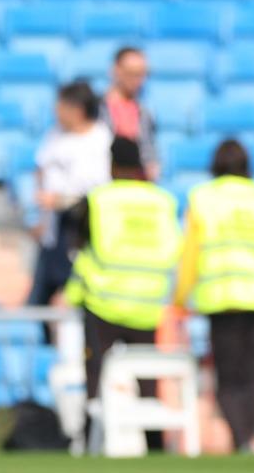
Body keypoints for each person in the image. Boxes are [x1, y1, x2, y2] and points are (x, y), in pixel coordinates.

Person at [173, 139, 254, 453]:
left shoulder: (202, 198)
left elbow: (189, 253)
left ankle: (241, 439)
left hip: (221, 298)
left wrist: (180, 296)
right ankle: (247, 437)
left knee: (227, 378)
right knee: (252, 375)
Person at [63, 137, 181, 443]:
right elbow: (173, 250)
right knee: (147, 380)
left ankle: (90, 441)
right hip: (147, 305)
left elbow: (81, 250)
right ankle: (154, 444)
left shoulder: (99, 200)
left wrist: (72, 294)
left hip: (103, 303)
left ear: (112, 164)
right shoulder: (162, 202)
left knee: (95, 375)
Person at [28, 82, 111, 311]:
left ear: (77, 109)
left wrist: (59, 201)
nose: (56, 110)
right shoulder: (56, 134)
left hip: (77, 231)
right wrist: (42, 218)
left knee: (68, 299)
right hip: (52, 231)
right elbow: (41, 167)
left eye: (60, 105)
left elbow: (95, 194)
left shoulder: (99, 140)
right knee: (39, 301)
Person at [100, 47, 158, 179]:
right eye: (132, 73)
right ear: (115, 70)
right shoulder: (95, 109)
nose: (138, 80)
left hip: (137, 184)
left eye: (142, 74)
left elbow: (150, 153)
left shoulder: (145, 113)